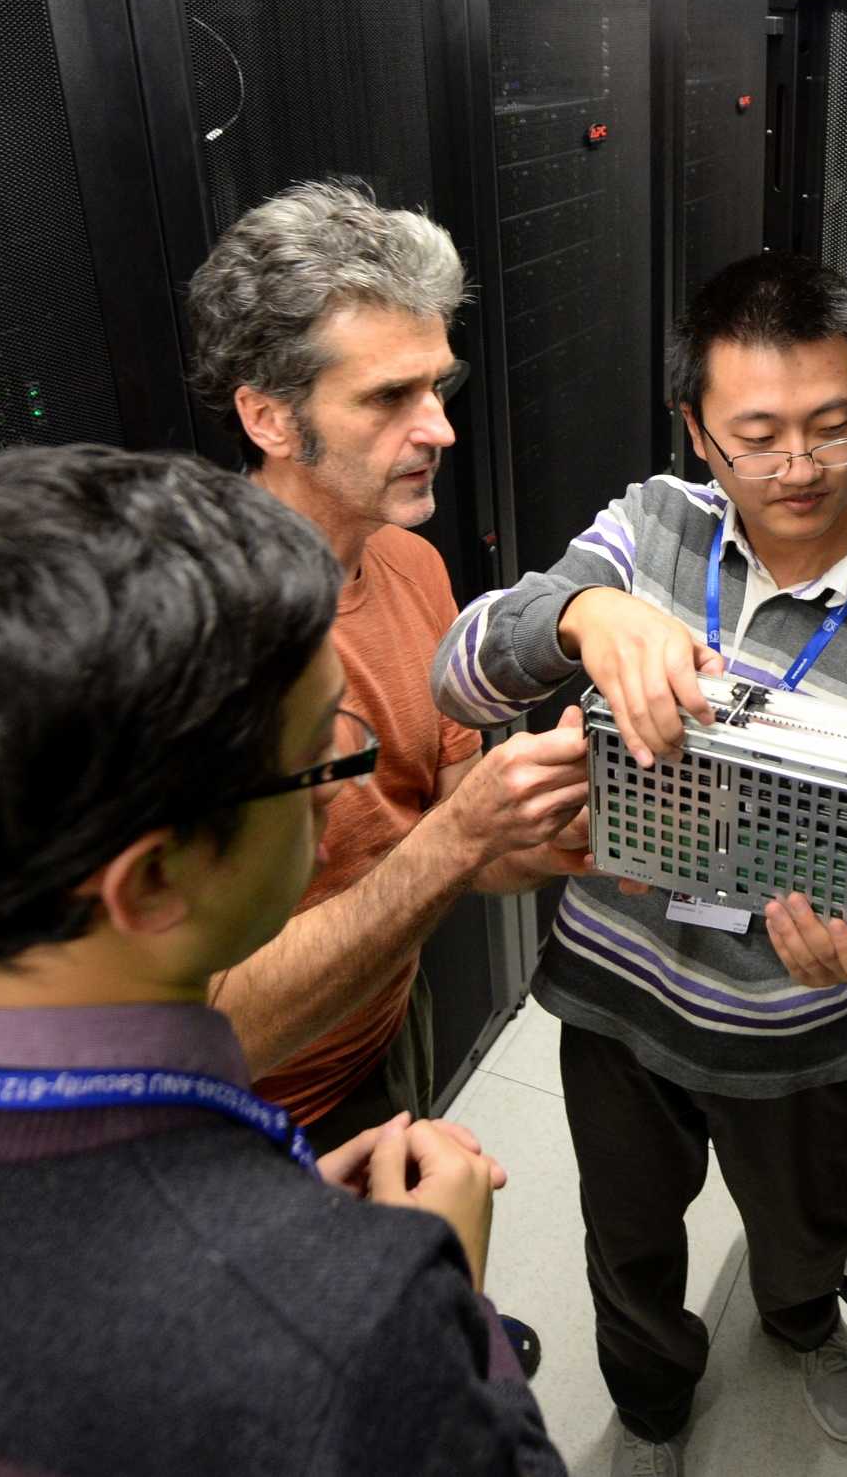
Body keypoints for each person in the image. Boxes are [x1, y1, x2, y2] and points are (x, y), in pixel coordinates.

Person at [0, 445, 561, 1475]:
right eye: (321, 754)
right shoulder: (359, 1328)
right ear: (152, 880)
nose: (332, 790)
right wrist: (446, 1308)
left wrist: (294, 1225)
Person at [434, 253, 847, 1477]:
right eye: (757, 435)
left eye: (832, 428)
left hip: (796, 1015)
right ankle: (648, 1407)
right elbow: (460, 668)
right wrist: (583, 615)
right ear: (696, 428)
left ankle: (801, 1322)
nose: (797, 468)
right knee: (626, 1241)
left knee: (803, 1231)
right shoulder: (646, 533)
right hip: (619, 997)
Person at [186, 179, 593, 1157]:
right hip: (230, 1116)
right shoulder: (199, 643)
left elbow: (464, 837)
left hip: (379, 1035)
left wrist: (580, 826)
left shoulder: (410, 562)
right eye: (387, 397)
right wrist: (456, 835)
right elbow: (210, 1031)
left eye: (436, 388)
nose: (440, 429)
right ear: (269, 418)